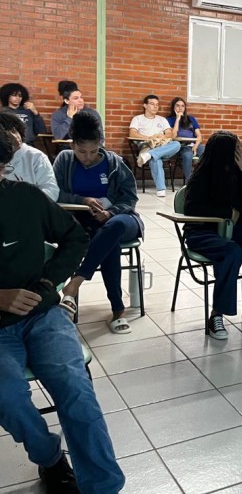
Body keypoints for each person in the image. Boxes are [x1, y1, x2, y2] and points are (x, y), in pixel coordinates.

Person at [0, 129, 125, 494]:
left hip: (42, 315)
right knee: (8, 398)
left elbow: (75, 237)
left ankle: (104, 488)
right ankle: (50, 457)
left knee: (76, 391)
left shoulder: (24, 197)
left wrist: (46, 285)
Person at [55, 112, 145, 334]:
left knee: (114, 227)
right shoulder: (64, 160)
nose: (87, 157)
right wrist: (82, 200)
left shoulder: (114, 162)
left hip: (121, 219)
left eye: (94, 151)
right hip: (83, 223)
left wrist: (111, 212)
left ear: (100, 144)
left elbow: (130, 198)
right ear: (72, 145)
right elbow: (54, 193)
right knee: (108, 242)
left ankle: (76, 282)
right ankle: (118, 310)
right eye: (81, 151)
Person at [184, 132, 242, 339]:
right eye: (238, 148)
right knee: (233, 252)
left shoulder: (239, 173)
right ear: (226, 152)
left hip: (234, 230)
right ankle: (217, 314)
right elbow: (191, 209)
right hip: (201, 231)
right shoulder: (202, 174)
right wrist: (225, 213)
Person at [128, 94, 181, 197]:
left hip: (162, 146)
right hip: (147, 145)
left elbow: (170, 134)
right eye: (152, 104)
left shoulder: (162, 119)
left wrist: (162, 136)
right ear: (145, 105)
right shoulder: (138, 119)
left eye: (157, 104)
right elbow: (132, 133)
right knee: (156, 159)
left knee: (176, 144)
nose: (155, 106)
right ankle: (161, 189)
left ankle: (149, 155)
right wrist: (149, 138)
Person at [0, 112, 58, 200]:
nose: (15, 137)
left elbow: (51, 190)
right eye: (7, 134)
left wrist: (26, 201)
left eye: (14, 131)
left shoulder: (37, 157)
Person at [166, 97, 205, 182]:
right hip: (181, 145)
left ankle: (206, 179)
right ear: (173, 107)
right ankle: (190, 182)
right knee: (188, 155)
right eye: (177, 106)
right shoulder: (169, 120)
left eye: (182, 106)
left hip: (194, 144)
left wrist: (195, 146)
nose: (180, 108)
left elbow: (199, 136)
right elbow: (173, 136)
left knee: (206, 151)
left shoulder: (191, 119)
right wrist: (177, 119)